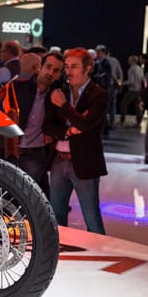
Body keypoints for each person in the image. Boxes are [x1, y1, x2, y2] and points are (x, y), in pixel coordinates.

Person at [43, 47, 108, 234]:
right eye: (67, 66)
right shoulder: (60, 92)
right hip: (58, 160)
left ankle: (97, 251)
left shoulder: (98, 94)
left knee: (91, 217)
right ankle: (60, 250)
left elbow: (86, 124)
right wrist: (68, 131)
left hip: (85, 162)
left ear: (87, 69)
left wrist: (64, 106)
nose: (68, 71)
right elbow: (48, 126)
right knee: (56, 215)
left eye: (74, 67)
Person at [8, 52, 65, 199]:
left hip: (36, 153)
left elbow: (62, 124)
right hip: (12, 151)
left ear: (59, 75)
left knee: (26, 198)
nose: (50, 73)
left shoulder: (57, 97)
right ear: (40, 67)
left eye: (56, 70)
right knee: (10, 197)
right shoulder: (16, 88)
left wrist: (51, 134)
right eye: (48, 67)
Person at [119, 55, 144, 127]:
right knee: (138, 107)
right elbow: (142, 79)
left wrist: (123, 83)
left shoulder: (131, 69)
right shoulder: (140, 68)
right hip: (139, 90)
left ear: (131, 61)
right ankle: (139, 122)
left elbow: (131, 81)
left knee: (123, 105)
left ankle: (122, 121)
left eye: (129, 60)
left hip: (132, 90)